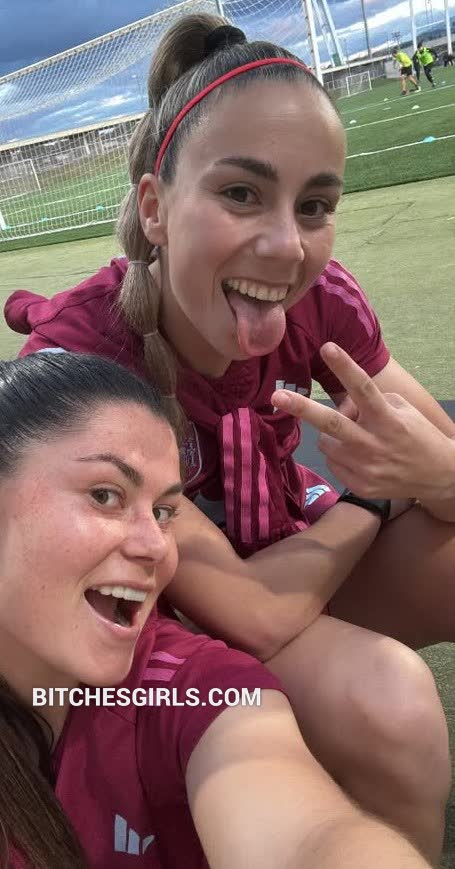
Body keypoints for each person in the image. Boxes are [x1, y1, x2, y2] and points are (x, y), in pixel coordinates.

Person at [4, 13, 455, 862]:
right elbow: (252, 612)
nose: (286, 246)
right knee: (388, 702)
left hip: (285, 550)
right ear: (155, 207)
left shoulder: (320, 300)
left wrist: (430, 475)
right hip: (158, 612)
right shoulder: (88, 357)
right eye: (241, 193)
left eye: (313, 205)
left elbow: (437, 462)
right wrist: (374, 495)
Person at [0, 350, 434, 869]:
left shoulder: (190, 688)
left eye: (164, 512)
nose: (157, 547)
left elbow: (304, 837)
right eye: (105, 495)